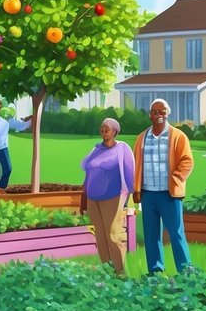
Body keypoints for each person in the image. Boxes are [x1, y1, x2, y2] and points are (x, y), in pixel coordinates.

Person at [132, 98, 195, 274]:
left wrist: (176, 178)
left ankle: (186, 273)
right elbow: (136, 165)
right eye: (155, 112)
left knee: (176, 234)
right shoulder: (142, 138)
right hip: (148, 193)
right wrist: (136, 189)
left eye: (162, 112)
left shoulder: (178, 136)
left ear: (167, 114)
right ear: (150, 115)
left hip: (169, 194)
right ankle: (155, 273)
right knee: (151, 236)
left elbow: (187, 161)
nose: (159, 115)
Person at [79, 118, 135, 274]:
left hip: (112, 197)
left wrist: (129, 199)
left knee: (113, 235)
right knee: (100, 236)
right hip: (93, 198)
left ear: (115, 131)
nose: (104, 131)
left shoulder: (122, 149)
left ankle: (121, 272)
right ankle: (107, 270)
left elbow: (130, 176)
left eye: (107, 129)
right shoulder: (95, 149)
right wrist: (83, 198)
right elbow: (88, 175)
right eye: (102, 128)